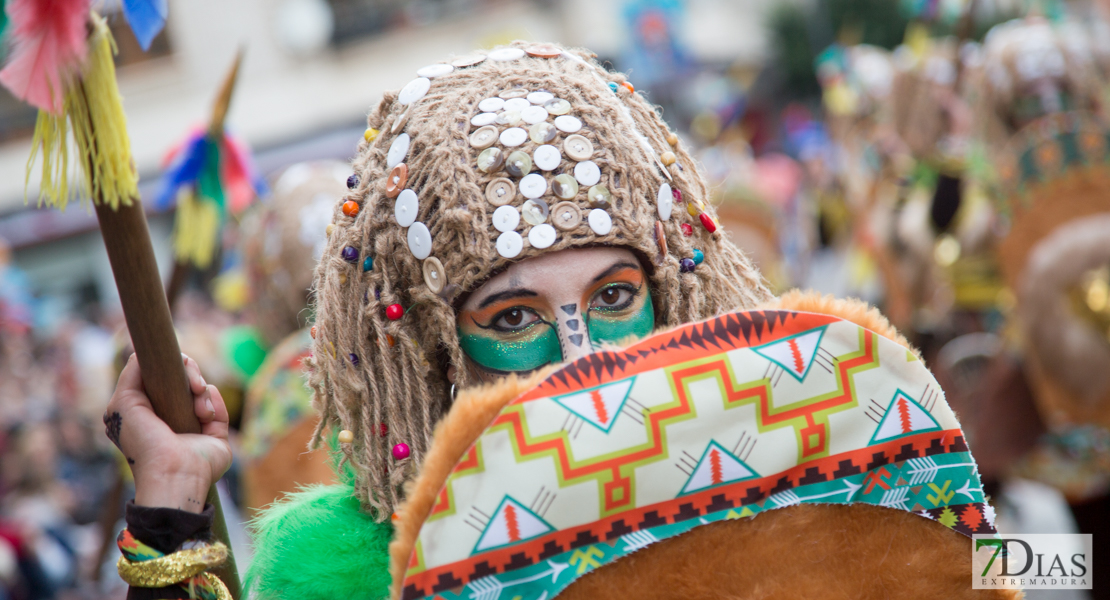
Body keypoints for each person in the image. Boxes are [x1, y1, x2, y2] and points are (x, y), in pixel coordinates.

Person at [104, 41, 772, 599]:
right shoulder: (351, 573)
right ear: (431, 346)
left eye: (614, 299)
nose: (581, 359)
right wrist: (171, 505)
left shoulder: (783, 479)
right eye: (513, 317)